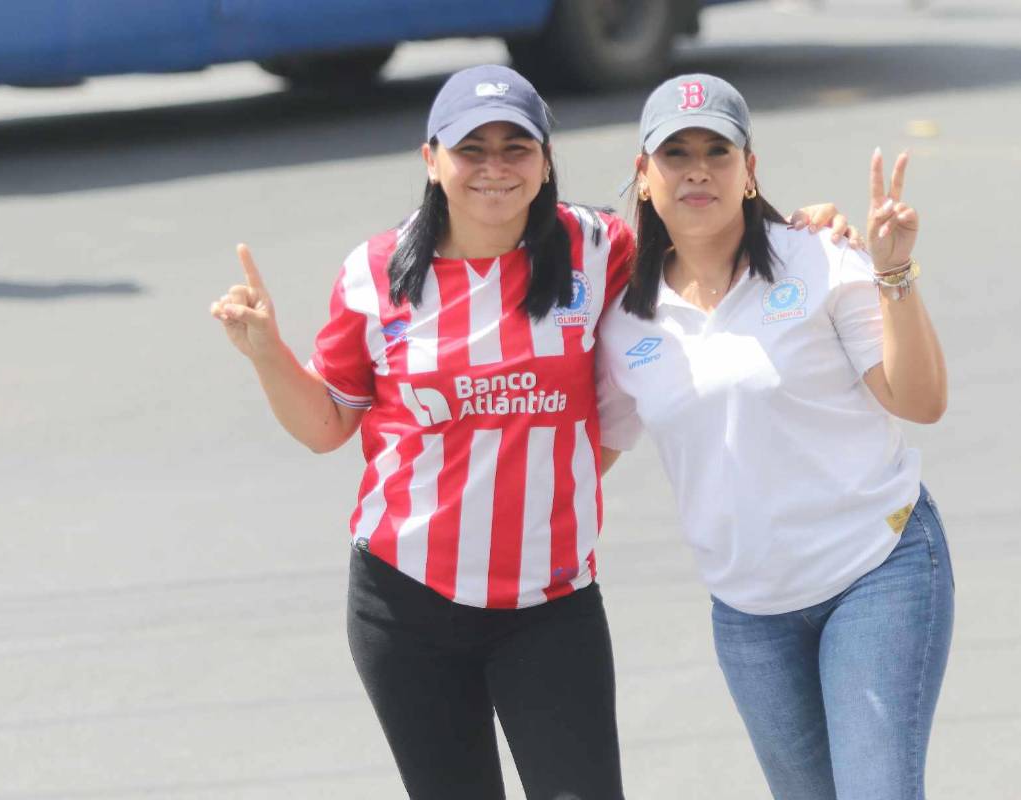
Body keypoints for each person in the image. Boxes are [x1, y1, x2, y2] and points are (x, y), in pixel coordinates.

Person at [209, 65, 853, 800]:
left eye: (515, 147)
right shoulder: (377, 273)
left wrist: (806, 228)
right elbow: (327, 426)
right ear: (431, 159)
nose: (494, 168)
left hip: (551, 605)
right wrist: (267, 352)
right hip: (405, 600)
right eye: (470, 149)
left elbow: (706, 232)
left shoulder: (595, 247)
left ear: (546, 161)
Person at [596, 74, 953, 800]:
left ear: (750, 170)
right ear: (643, 173)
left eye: (717, 151)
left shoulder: (819, 260)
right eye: (675, 153)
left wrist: (893, 274)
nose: (698, 168)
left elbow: (920, 399)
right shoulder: (625, 323)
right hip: (750, 615)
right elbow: (584, 457)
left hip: (876, 571)